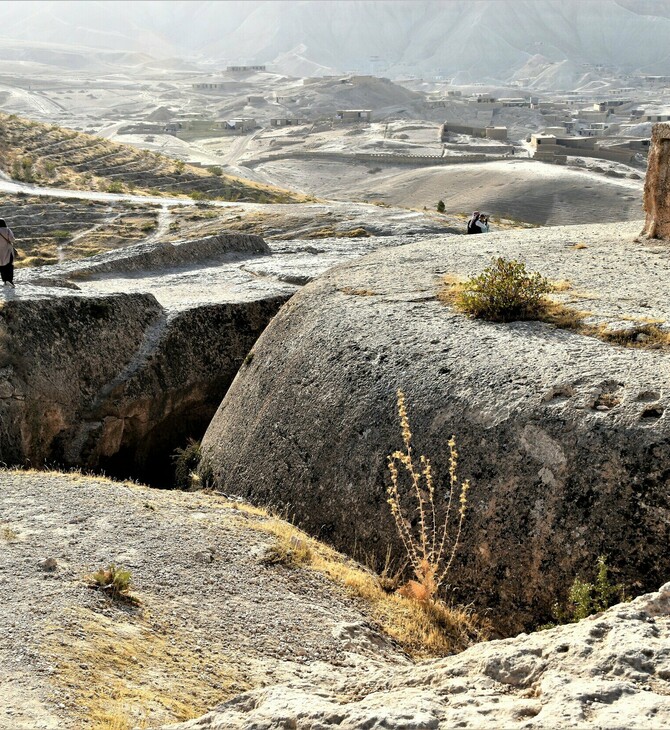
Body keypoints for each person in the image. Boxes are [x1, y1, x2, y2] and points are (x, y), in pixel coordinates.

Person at [0, 219, 17, 288]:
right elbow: (12, 239)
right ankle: (9, 280)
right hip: (8, 250)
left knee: (1, 266)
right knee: (9, 265)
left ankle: (4, 280)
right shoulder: (7, 230)